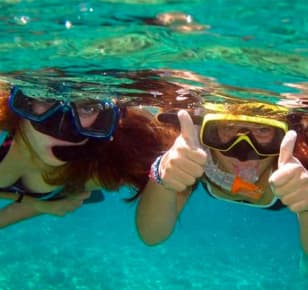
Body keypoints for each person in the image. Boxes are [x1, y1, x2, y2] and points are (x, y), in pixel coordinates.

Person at [135, 101, 308, 272]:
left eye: (263, 130)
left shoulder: (300, 162)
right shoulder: (195, 151)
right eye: (228, 128)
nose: (243, 151)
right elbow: (151, 235)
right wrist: (163, 175)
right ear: (210, 132)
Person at [0, 81, 173, 228]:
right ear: (23, 100)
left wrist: (39, 205)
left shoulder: (96, 166)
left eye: (87, 107)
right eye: (47, 98)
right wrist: (36, 203)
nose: (63, 126)